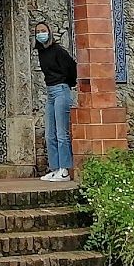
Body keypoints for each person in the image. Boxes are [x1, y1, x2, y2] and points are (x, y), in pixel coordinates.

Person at [33, 21, 77, 182]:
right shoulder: (41, 52)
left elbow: (72, 68)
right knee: (50, 134)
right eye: (38, 31)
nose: (41, 33)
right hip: (50, 92)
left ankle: (65, 169)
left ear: (49, 32)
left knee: (61, 133)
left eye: (43, 30)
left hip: (61, 91)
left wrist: (68, 83)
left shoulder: (58, 51)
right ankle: (55, 168)